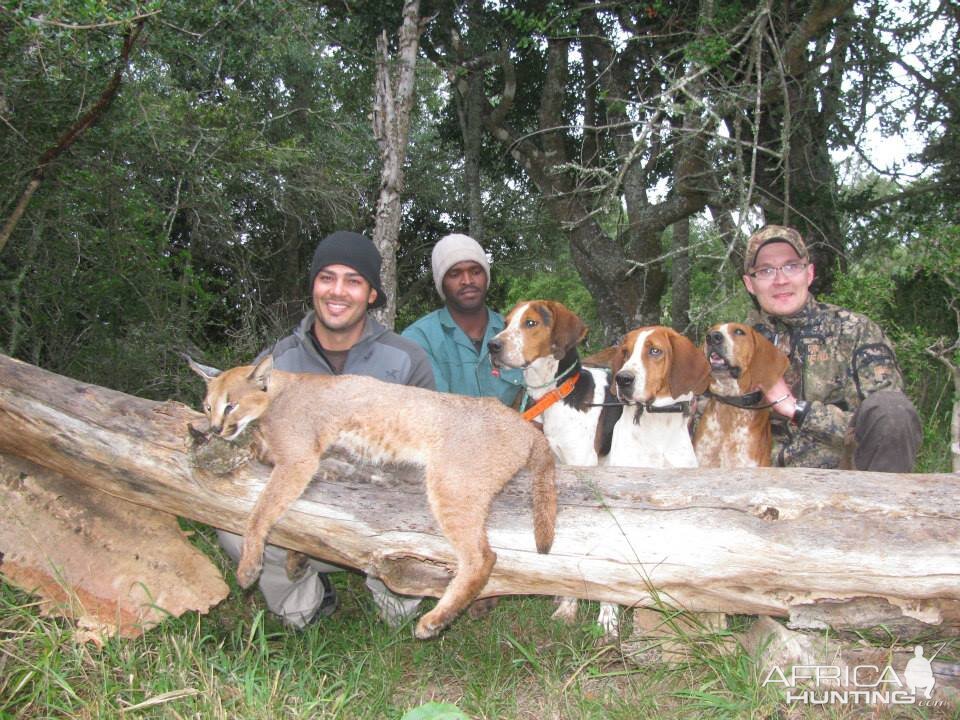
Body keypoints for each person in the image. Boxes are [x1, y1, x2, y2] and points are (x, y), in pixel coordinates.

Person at [217, 230, 435, 629]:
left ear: (371, 294)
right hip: (305, 506)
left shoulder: (406, 359)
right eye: (327, 277)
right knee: (233, 527)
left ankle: (393, 600)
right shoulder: (277, 361)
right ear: (313, 286)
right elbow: (249, 438)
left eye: (353, 281)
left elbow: (429, 453)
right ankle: (306, 605)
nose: (338, 291)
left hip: (382, 509)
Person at [742, 224, 922, 471]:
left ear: (809, 273)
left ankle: (885, 504)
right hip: (756, 482)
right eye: (765, 271)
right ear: (750, 284)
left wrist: (795, 408)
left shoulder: (855, 331)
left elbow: (883, 426)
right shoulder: (733, 343)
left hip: (844, 479)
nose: (780, 280)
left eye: (792, 266)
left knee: (892, 409)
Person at [401, 233, 523, 405]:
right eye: (455, 274)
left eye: (475, 271)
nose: (467, 281)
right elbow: (433, 414)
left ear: (486, 277)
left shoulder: (515, 332)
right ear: (441, 283)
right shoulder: (418, 339)